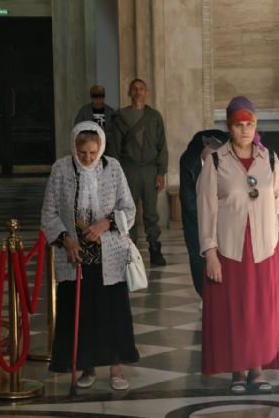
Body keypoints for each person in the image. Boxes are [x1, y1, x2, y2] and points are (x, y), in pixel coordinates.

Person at [197, 96, 279, 394]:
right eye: (239, 125)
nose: (245, 130)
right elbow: (206, 210)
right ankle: (238, 372)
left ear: (256, 125)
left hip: (264, 248)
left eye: (250, 124)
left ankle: (258, 369)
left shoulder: (269, 158)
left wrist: (260, 213)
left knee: (262, 311)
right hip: (230, 248)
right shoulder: (215, 161)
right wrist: (210, 253)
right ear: (229, 127)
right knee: (236, 312)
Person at [41, 121, 139, 390]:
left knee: (112, 311)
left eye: (93, 153)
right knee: (81, 312)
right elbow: (48, 213)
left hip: (109, 252)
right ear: (74, 147)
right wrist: (66, 240)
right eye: (82, 152)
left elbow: (128, 208)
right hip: (74, 254)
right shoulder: (61, 169)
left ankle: (116, 368)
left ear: (101, 148)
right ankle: (87, 366)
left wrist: (105, 223)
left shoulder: (113, 167)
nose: (87, 158)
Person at [109, 79, 168, 266]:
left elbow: (162, 146)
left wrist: (161, 172)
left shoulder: (154, 116)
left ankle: (155, 249)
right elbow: (114, 148)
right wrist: (116, 174)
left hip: (150, 169)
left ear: (146, 92)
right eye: (134, 89)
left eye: (141, 89)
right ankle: (130, 251)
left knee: (151, 212)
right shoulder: (120, 117)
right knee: (128, 211)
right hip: (128, 169)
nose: (138, 92)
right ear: (129, 92)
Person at [180, 129, 229, 298]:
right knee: (199, 257)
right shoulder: (189, 161)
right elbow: (189, 200)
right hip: (196, 219)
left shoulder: (224, 161)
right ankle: (205, 295)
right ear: (205, 148)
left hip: (222, 218)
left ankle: (223, 295)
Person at [75, 85, 115, 154]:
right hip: (88, 146)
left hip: (107, 147)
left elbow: (115, 132)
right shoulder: (84, 111)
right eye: (95, 96)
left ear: (104, 97)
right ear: (91, 97)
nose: (98, 99)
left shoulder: (110, 112)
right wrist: (91, 131)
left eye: (101, 96)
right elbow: (77, 128)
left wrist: (104, 133)